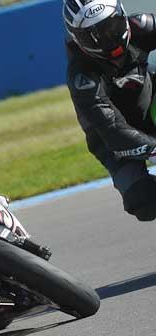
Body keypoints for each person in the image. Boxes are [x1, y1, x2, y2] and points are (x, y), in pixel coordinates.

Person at [64, 0, 156, 220]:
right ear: (77, 38)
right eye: (92, 36)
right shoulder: (82, 76)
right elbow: (112, 129)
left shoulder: (141, 26)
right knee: (142, 202)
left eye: (111, 28)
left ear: (122, 16)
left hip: (148, 101)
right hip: (111, 142)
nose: (107, 41)